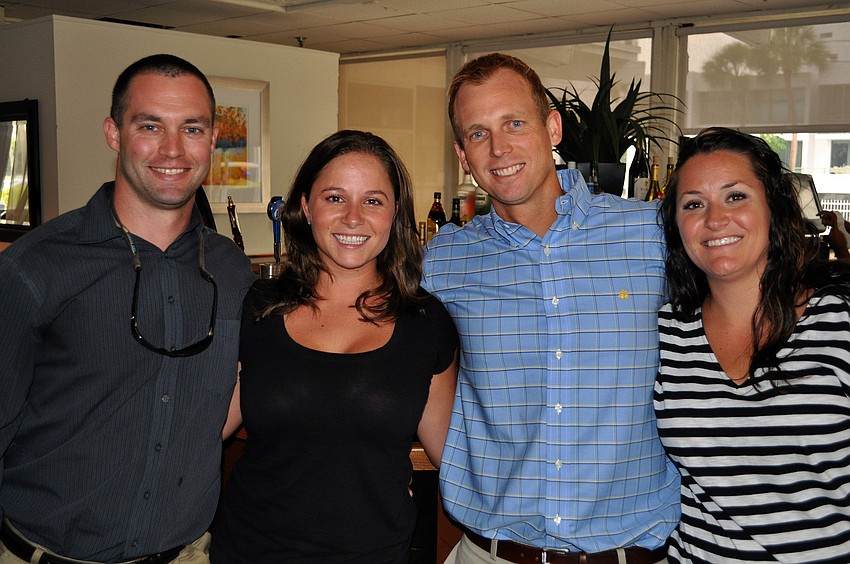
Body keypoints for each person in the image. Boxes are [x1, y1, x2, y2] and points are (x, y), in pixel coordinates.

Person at [423, 53, 679, 564]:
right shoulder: (444, 260)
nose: (498, 148)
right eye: (478, 133)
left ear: (552, 127)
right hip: (492, 552)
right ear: (461, 154)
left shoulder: (653, 236)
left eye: (514, 123)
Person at [0, 54, 255, 563]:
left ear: (211, 140)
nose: (172, 149)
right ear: (114, 133)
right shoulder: (36, 268)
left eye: (192, 128)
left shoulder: (232, 272)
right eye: (150, 125)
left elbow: (237, 402)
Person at [210, 130, 458, 563]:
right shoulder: (258, 310)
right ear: (306, 207)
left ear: (395, 211)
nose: (353, 217)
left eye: (373, 201)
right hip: (250, 552)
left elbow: (452, 455)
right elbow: (207, 430)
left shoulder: (426, 323)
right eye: (335, 198)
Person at [654, 127, 850, 563]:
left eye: (736, 196)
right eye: (693, 204)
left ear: (774, 208)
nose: (715, 219)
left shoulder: (837, 320)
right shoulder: (664, 334)